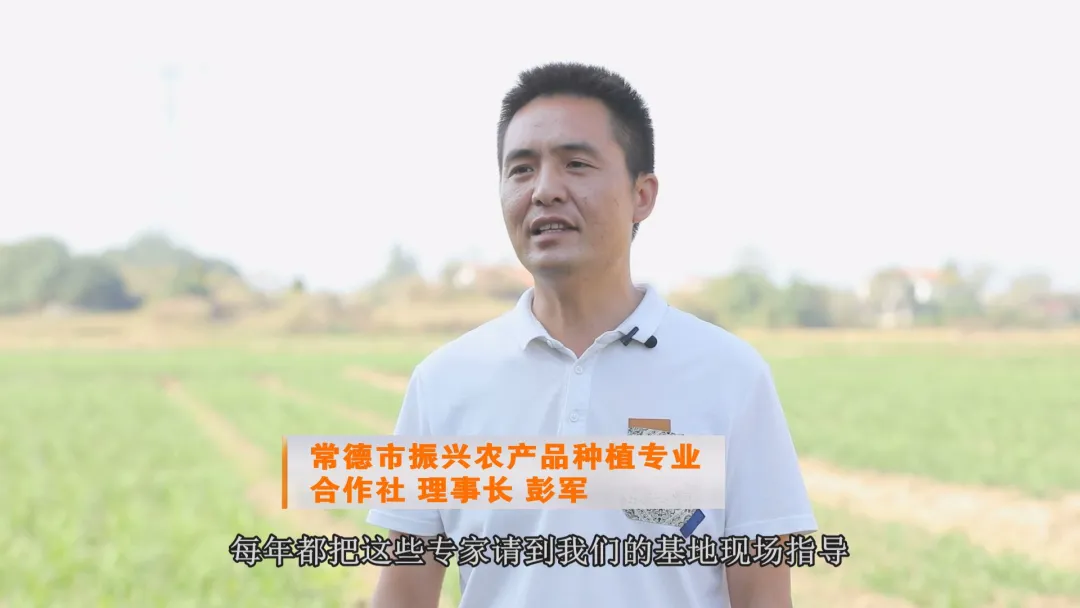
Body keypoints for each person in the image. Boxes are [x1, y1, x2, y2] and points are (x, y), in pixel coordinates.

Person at [367, 62, 817, 608]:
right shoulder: (443, 382)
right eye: (521, 169)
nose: (544, 191)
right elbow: (404, 590)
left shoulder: (730, 376)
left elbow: (763, 595)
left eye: (576, 164)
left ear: (642, 195)